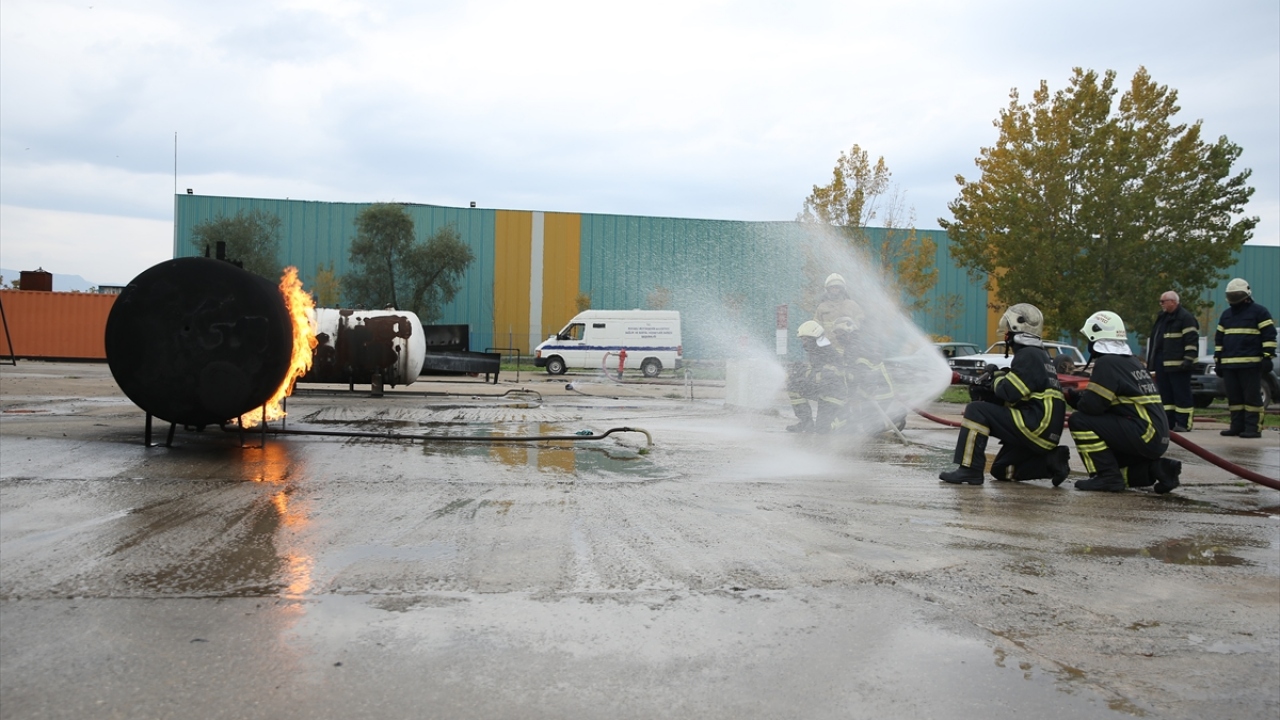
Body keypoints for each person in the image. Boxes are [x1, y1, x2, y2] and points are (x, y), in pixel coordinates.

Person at [939, 304, 1069, 486]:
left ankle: (969, 470)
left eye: (1008, 328)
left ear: (1018, 327)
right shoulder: (1040, 356)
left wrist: (996, 376)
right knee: (1001, 470)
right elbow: (1019, 395)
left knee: (977, 411)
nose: (1006, 333)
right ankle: (1051, 462)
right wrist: (991, 385)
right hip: (1044, 433)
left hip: (1035, 425)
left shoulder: (1029, 355)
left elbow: (1009, 391)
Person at [1066, 311, 1181, 493]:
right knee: (1117, 468)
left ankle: (1105, 477)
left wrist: (1072, 398)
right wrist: (1078, 397)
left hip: (1143, 433)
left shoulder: (1107, 363)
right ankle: (1158, 470)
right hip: (1155, 437)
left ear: (1096, 337)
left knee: (1078, 420)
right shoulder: (1131, 361)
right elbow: (1109, 402)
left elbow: (1093, 407)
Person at [1214, 278, 1277, 439]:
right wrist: (1218, 360)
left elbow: (1269, 336)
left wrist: (1267, 357)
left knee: (1251, 398)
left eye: (1237, 294)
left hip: (1250, 365)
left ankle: (1253, 428)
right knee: (1234, 399)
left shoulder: (1259, 312)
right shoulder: (1226, 315)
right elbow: (1219, 339)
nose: (1234, 297)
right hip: (1229, 365)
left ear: (1246, 294)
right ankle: (1237, 426)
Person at [1146, 290, 1199, 432]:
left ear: (1173, 302)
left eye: (1163, 301)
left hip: (1179, 366)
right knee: (1165, 396)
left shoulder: (1185, 318)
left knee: (1182, 395)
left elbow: (1191, 340)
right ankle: (1168, 423)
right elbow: (1156, 341)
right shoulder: (1162, 318)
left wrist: (1188, 359)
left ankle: (1183, 423)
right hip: (1162, 364)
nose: (1161, 304)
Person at [786, 320, 847, 433]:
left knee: (823, 429)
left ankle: (848, 421)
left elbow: (826, 377)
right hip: (822, 391)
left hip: (834, 395)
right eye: (802, 339)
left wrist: (803, 376)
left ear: (814, 338)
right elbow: (815, 372)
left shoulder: (827, 353)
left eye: (805, 339)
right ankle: (806, 423)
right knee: (793, 385)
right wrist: (799, 370)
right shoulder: (815, 350)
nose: (803, 343)